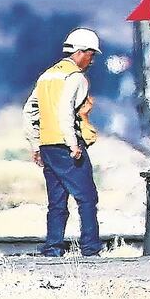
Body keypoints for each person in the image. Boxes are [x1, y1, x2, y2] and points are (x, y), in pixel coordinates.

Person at [23, 28, 104, 257]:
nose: (91, 61)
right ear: (80, 52)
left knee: (57, 201)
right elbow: (65, 111)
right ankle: (90, 248)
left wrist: (36, 144)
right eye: (91, 55)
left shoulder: (47, 76)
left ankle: (53, 248)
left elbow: (29, 111)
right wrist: (73, 144)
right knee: (87, 198)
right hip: (66, 145)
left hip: (47, 146)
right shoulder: (75, 77)